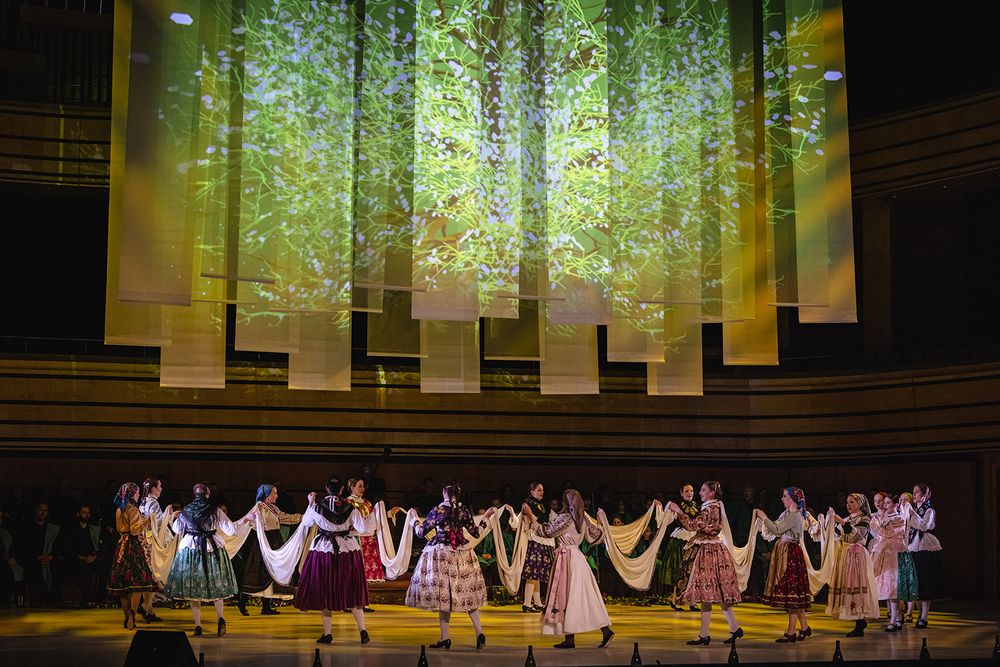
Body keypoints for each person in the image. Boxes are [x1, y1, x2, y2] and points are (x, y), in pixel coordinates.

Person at [405, 480, 495, 650]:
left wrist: (414, 519)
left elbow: (420, 532)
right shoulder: (464, 510)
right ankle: (478, 632)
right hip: (462, 554)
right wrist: (485, 518)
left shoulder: (438, 510)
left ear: (443, 492)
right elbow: (476, 532)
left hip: (440, 554)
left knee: (442, 596)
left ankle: (445, 637)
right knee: (467, 595)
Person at [522, 489, 614, 649]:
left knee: (565, 595)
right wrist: (599, 524)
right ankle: (598, 632)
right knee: (582, 596)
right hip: (578, 558)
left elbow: (546, 531)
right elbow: (596, 538)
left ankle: (575, 637)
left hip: (567, 559)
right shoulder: (583, 518)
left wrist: (530, 515)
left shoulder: (566, 518)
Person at [295, 476, 376, 645]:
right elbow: (362, 529)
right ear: (341, 490)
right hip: (347, 549)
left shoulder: (318, 506)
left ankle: (328, 633)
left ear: (326, 488)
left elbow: (306, 522)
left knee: (326, 590)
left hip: (324, 550)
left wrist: (310, 503)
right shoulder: (350, 507)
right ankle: (362, 630)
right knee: (352, 590)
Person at [666, 481, 743, 646]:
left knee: (705, 593)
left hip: (708, 552)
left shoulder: (709, 509)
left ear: (712, 493)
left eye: (703, 490)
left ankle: (706, 634)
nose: (700, 493)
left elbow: (693, 525)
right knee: (712, 595)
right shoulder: (713, 507)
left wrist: (678, 511)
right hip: (715, 550)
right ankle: (729, 629)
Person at [162, 484, 241, 637]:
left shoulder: (186, 510)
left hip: (191, 548)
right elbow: (230, 530)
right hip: (211, 547)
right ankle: (220, 618)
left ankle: (198, 626)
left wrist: (175, 517)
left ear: (194, 494)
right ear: (208, 493)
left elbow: (177, 530)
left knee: (193, 588)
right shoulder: (215, 510)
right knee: (215, 584)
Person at [756, 487, 819, 643]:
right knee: (794, 596)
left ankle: (791, 632)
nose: (782, 499)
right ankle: (804, 628)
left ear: (793, 498)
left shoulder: (794, 516)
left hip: (790, 555)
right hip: (787, 552)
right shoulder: (788, 515)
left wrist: (764, 517)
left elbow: (777, 529)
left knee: (792, 595)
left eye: (785, 496)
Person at [239, 484, 301, 616]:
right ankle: (242, 601)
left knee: (270, 573)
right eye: (274, 493)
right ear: (266, 495)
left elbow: (286, 518)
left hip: (274, 540)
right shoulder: (260, 508)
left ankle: (266, 606)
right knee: (257, 572)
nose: (277, 496)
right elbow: (254, 524)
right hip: (263, 542)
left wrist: (304, 517)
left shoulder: (273, 508)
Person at [828, 493, 880, 637]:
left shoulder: (864, 518)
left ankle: (860, 620)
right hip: (845, 553)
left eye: (852, 502)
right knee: (847, 585)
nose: (848, 505)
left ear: (860, 504)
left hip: (856, 554)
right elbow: (838, 534)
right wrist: (827, 523)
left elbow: (857, 535)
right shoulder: (847, 519)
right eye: (847, 502)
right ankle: (858, 619)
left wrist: (843, 523)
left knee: (855, 583)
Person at [107, 484, 158, 629]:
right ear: (133, 494)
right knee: (136, 585)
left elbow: (118, 529)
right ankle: (133, 614)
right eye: (137, 493)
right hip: (134, 547)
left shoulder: (119, 510)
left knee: (124, 588)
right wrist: (147, 521)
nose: (138, 495)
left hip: (122, 544)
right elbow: (135, 531)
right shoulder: (133, 509)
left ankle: (126, 617)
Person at [900, 483, 947, 628]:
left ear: (924, 495)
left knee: (925, 582)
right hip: (912, 547)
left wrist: (913, 515)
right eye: (913, 493)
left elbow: (924, 526)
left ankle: (924, 616)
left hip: (924, 547)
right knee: (916, 583)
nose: (914, 495)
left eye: (917, 492)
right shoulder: (913, 509)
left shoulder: (929, 510)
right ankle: (919, 614)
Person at [343, 477, 390, 609]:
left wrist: (387, 514)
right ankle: (348, 602)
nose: (363, 489)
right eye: (360, 486)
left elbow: (374, 518)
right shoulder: (347, 503)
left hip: (367, 541)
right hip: (354, 539)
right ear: (352, 488)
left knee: (363, 574)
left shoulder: (366, 503)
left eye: (363, 486)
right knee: (352, 572)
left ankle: (362, 602)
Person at [874, 493, 915, 631]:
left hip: (896, 554)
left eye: (888, 503)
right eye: (884, 503)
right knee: (889, 588)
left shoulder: (899, 518)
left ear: (896, 505)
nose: (885, 506)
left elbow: (888, 534)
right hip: (887, 554)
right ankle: (896, 619)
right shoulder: (886, 518)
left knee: (894, 588)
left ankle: (894, 620)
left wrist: (875, 526)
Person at [662, 484, 700, 611]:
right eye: (687, 491)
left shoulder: (696, 505)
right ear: (681, 493)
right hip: (682, 539)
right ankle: (676, 601)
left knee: (694, 572)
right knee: (681, 571)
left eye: (691, 491)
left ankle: (692, 602)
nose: (690, 493)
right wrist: (679, 511)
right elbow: (669, 507)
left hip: (694, 538)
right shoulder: (677, 505)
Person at [62, 505, 108, 608]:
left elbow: (99, 547)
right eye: (84, 512)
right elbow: (69, 549)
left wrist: (94, 557)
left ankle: (99, 599)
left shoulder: (93, 530)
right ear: (78, 514)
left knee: (104, 568)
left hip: (91, 558)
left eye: (88, 513)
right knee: (82, 569)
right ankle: (85, 600)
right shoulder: (72, 530)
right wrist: (82, 558)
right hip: (77, 559)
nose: (86, 515)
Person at [18, 501, 63, 605]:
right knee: (35, 569)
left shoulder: (53, 529)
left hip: (50, 558)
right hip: (33, 559)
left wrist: (50, 557)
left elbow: (58, 546)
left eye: (45, 510)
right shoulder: (27, 527)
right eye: (40, 510)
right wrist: (38, 557)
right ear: (35, 511)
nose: (43, 512)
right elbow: (25, 547)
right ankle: (45, 598)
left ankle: (55, 598)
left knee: (60, 567)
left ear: (48, 513)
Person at [519, 482, 553, 613]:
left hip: (540, 540)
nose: (542, 492)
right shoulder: (530, 505)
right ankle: (527, 603)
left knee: (537, 573)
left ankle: (537, 602)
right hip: (534, 541)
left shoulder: (541, 505)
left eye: (542, 490)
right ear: (532, 492)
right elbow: (537, 521)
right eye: (539, 490)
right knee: (532, 573)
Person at [137, 478, 166, 623]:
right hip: (152, 542)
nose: (161, 489)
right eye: (159, 486)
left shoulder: (143, 502)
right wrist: (170, 517)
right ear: (154, 489)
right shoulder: (153, 503)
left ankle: (149, 611)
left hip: (146, 541)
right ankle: (144, 606)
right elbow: (158, 524)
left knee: (152, 577)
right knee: (156, 576)